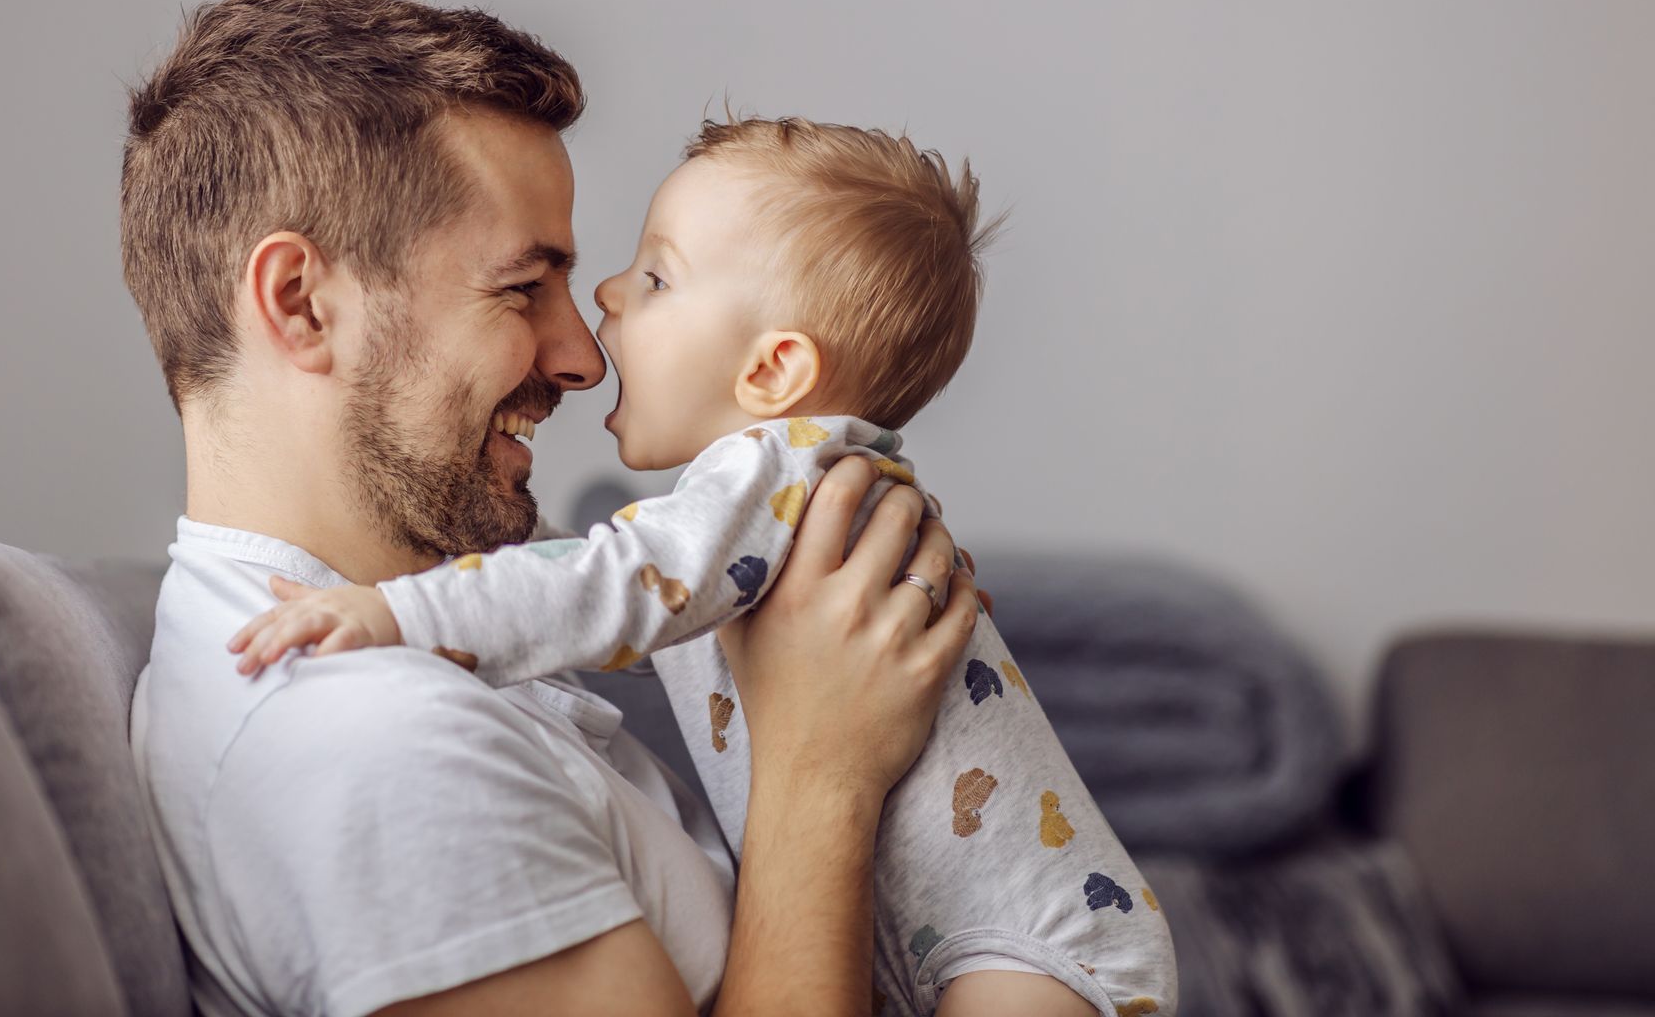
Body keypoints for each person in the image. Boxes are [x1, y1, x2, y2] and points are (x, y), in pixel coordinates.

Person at [124, 0, 1032, 1016]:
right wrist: (823, 774)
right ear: (301, 302)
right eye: (521, 287)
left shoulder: (413, 632)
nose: (583, 357)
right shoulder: (379, 755)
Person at [227, 117, 1178, 1016]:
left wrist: (395, 614)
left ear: (770, 373)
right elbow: (592, 592)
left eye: (655, 279)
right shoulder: (768, 504)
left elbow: (597, 591)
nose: (605, 300)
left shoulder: (776, 471)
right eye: (526, 285)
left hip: (1039, 943)